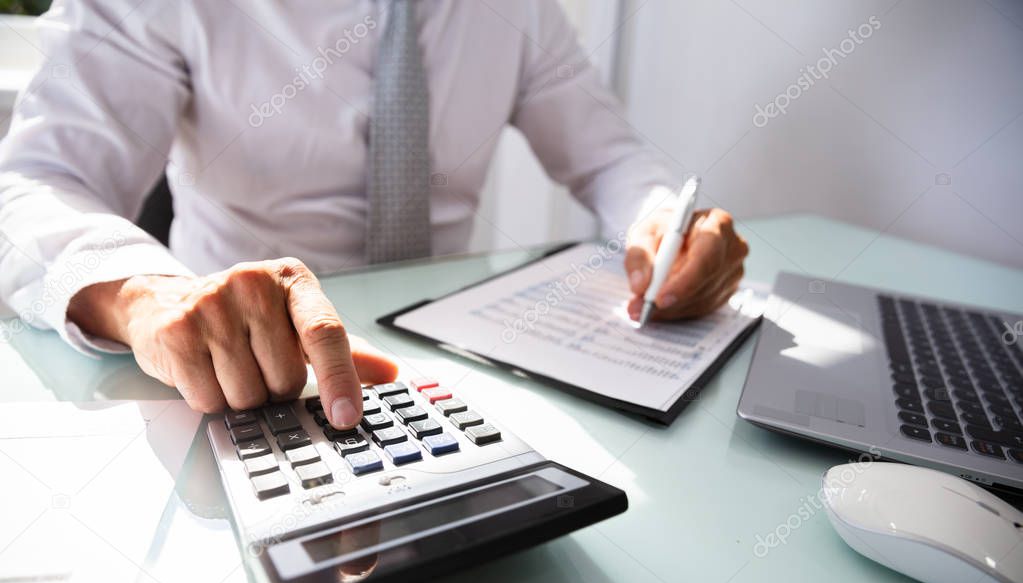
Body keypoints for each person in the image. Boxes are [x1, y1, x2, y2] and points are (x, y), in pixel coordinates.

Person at [0, 0, 748, 430]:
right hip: (236, 378)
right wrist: (142, 296)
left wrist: (662, 222)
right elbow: (33, 182)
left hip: (453, 366)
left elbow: (608, 155)